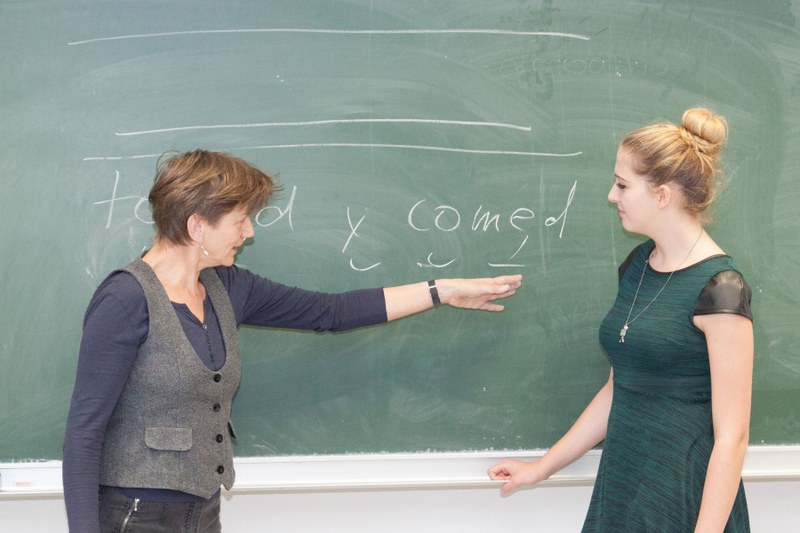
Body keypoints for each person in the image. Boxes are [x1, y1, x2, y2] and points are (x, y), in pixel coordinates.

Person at [63, 149, 523, 533]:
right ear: (198, 225)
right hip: (134, 515)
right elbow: (84, 433)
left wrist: (442, 290)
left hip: (201, 511)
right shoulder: (125, 299)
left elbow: (332, 311)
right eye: (241, 220)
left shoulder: (227, 286)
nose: (249, 232)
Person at [488, 107, 753, 532]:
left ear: (662, 195)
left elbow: (733, 437)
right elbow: (618, 388)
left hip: (685, 495)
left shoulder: (721, 287)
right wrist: (541, 467)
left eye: (623, 185)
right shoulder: (637, 266)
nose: (612, 196)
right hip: (626, 483)